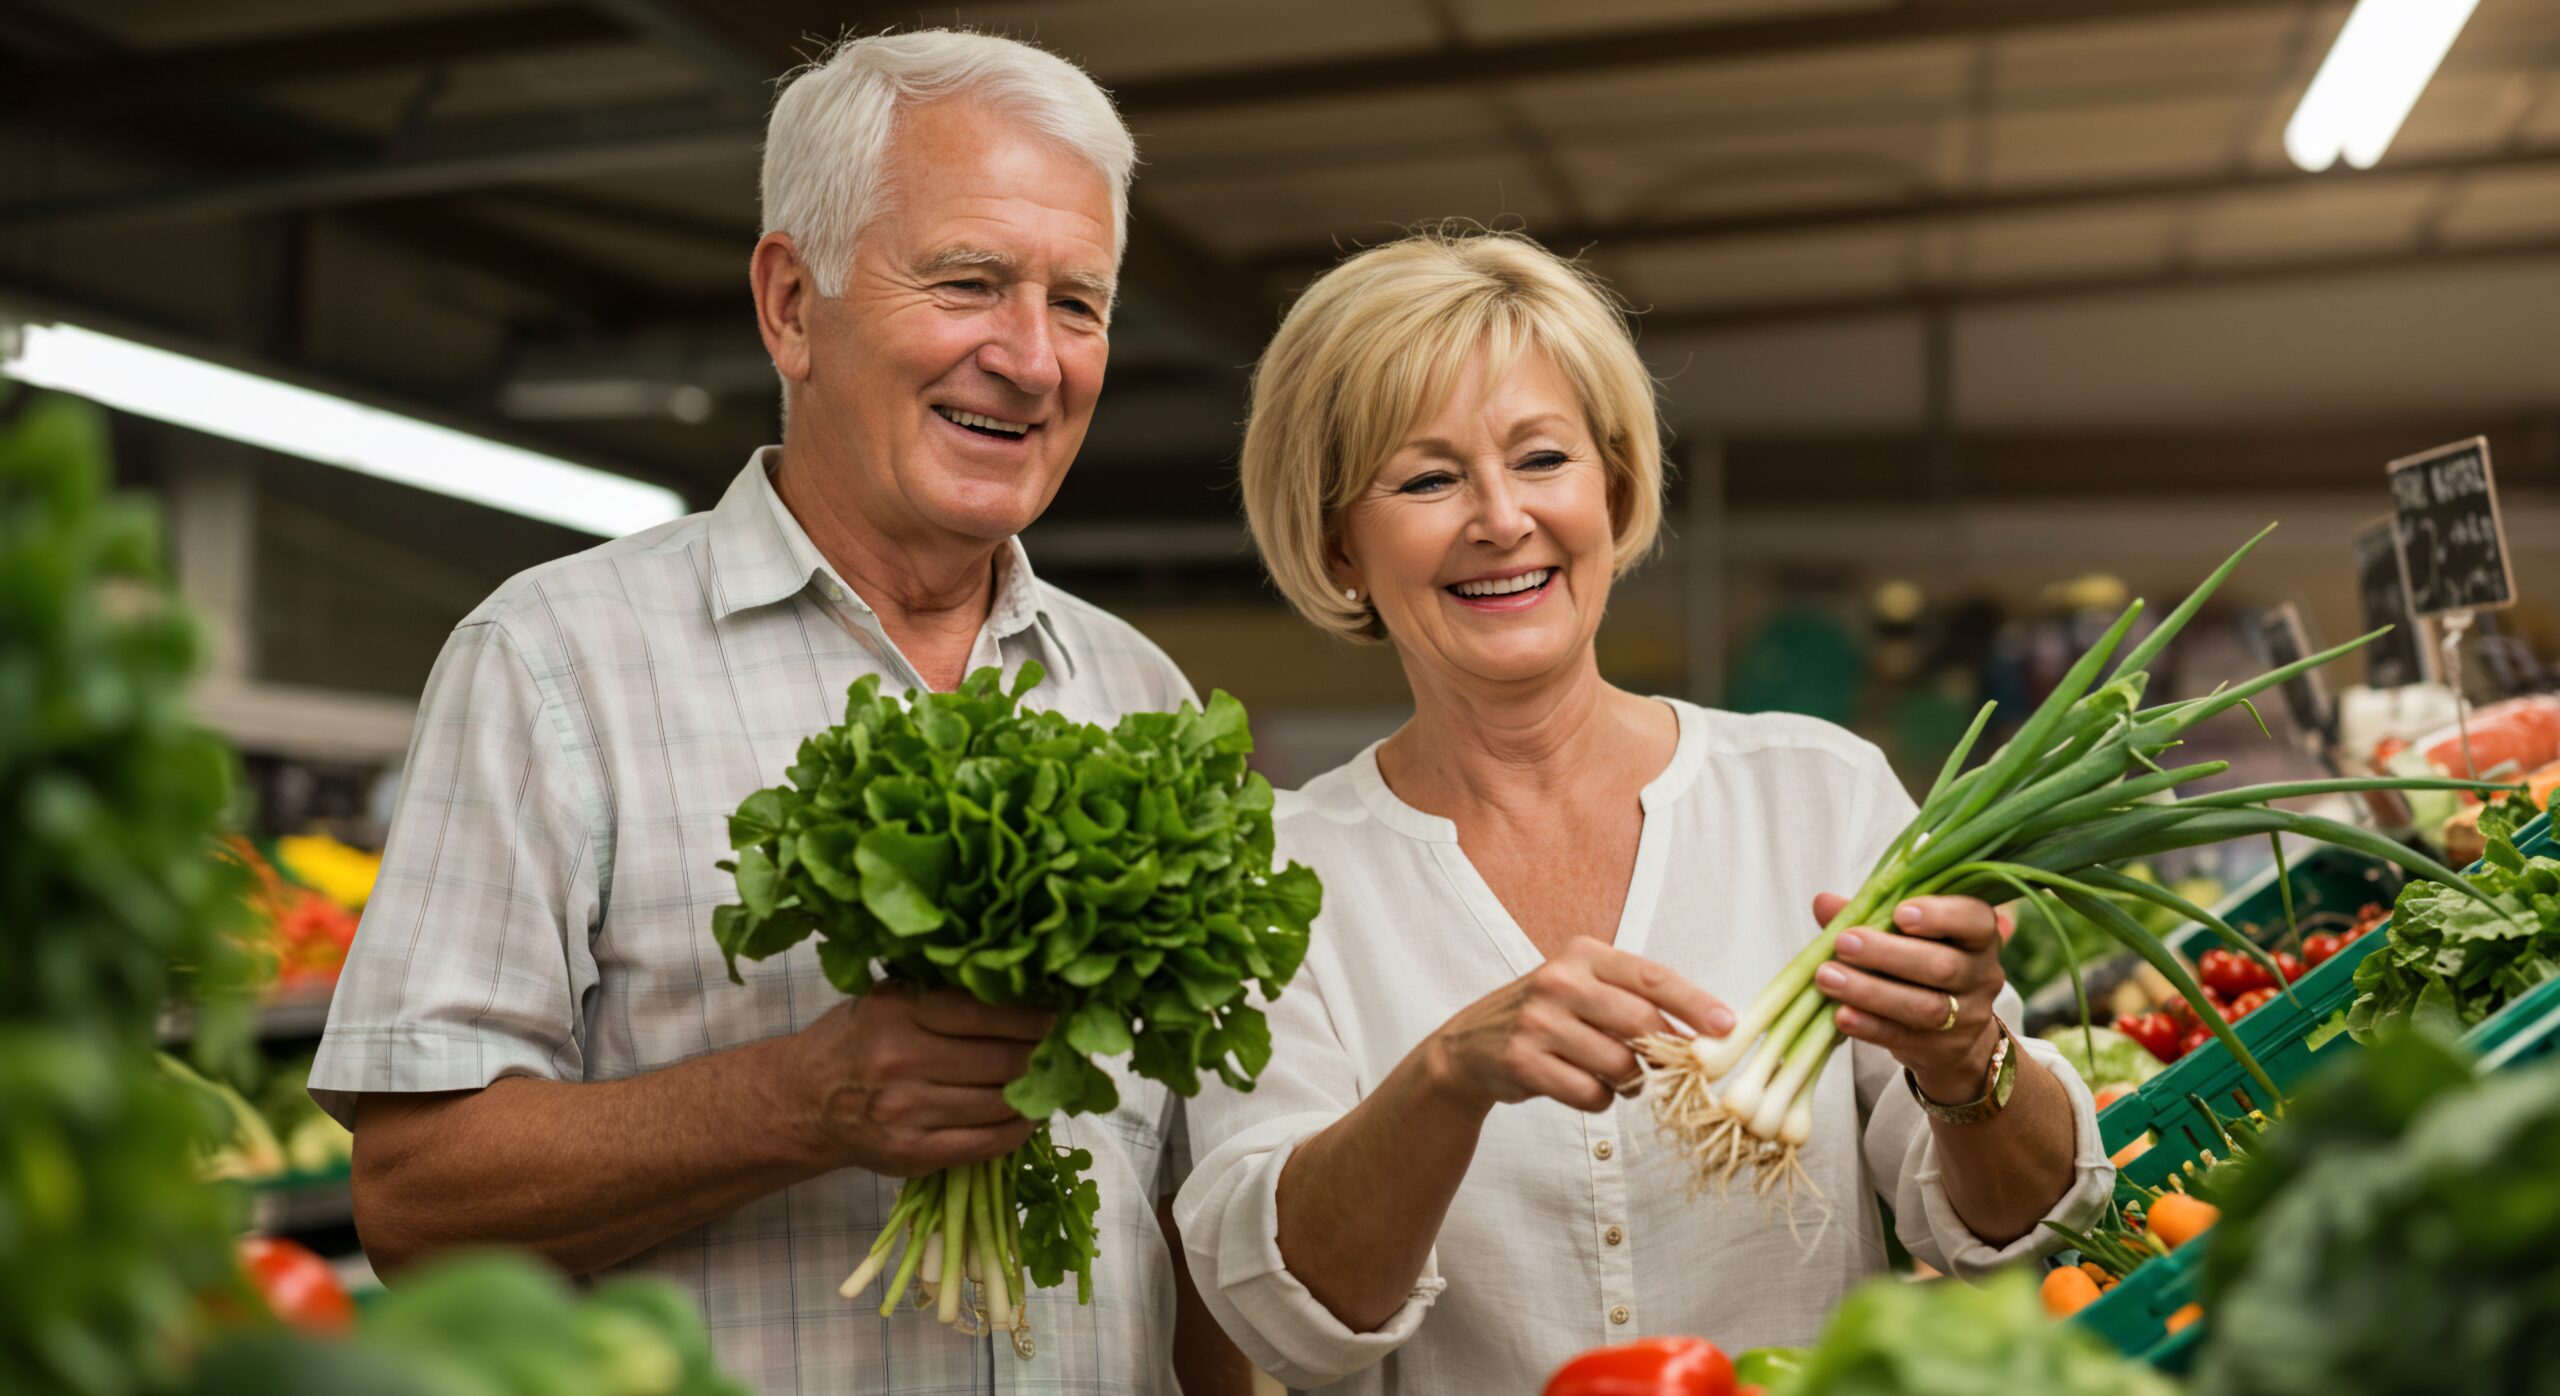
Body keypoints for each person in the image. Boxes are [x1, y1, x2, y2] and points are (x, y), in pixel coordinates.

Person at [310, 31, 1249, 1396]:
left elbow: (1189, 1221)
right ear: (792, 304)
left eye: (1081, 304)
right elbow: (413, 1202)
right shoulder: (555, 659)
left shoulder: (1142, 699)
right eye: (971, 282)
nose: (1034, 361)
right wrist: (799, 1101)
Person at [1176, 228, 2112, 1392]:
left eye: (1541, 458)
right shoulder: (1274, 879)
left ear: (1611, 487)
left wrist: (1967, 1062)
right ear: (1336, 543)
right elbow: (1293, 1316)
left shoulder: (1815, 793)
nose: (1500, 517)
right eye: (1426, 478)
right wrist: (1446, 1078)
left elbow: (2024, 1230)